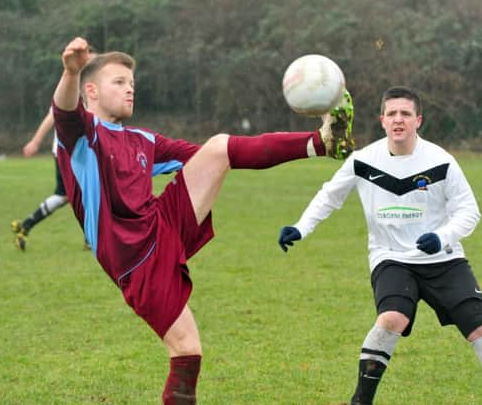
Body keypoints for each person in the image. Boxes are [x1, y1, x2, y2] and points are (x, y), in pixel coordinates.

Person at [51, 36, 354, 404]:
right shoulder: (81, 137)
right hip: (133, 257)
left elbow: (220, 156)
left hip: (161, 223)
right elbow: (65, 110)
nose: (130, 91)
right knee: (187, 351)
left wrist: (296, 144)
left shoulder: (142, 139)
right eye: (119, 83)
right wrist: (70, 71)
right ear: (92, 91)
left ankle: (324, 141)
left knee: (219, 147)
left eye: (132, 84)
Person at [278, 86, 482, 405]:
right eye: (392, 114)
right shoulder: (363, 161)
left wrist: (442, 237)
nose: (399, 120)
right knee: (392, 318)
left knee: (478, 328)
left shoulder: (441, 161)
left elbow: (469, 211)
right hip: (391, 259)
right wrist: (301, 227)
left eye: (406, 114)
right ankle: (360, 401)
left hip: (443, 259)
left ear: (418, 120)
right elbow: (330, 195)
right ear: (382, 120)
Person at [11, 48, 97, 251]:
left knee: (80, 192)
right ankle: (26, 225)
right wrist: (35, 141)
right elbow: (51, 118)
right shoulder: (71, 88)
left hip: (80, 151)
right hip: (66, 152)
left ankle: (89, 237)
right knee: (70, 194)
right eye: (90, 61)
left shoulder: (92, 89)